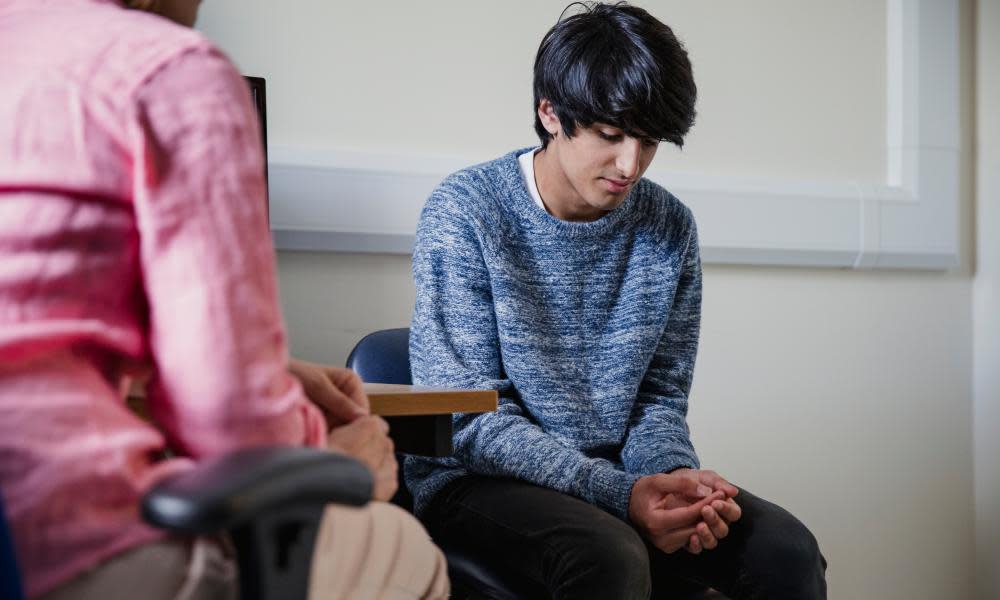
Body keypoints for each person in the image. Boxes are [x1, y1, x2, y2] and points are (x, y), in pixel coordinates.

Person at [0, 0, 447, 598]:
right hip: (60, 541)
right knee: (402, 546)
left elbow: (37, 340)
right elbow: (231, 430)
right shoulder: (167, 71)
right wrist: (337, 461)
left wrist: (277, 375)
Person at [406, 3, 827, 598]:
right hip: (475, 481)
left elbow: (657, 400)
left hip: (620, 480)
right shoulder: (467, 212)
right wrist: (620, 495)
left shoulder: (669, 228)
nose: (631, 164)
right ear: (550, 113)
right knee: (610, 554)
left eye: (649, 141)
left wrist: (675, 481)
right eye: (609, 135)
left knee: (786, 551)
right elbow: (466, 419)